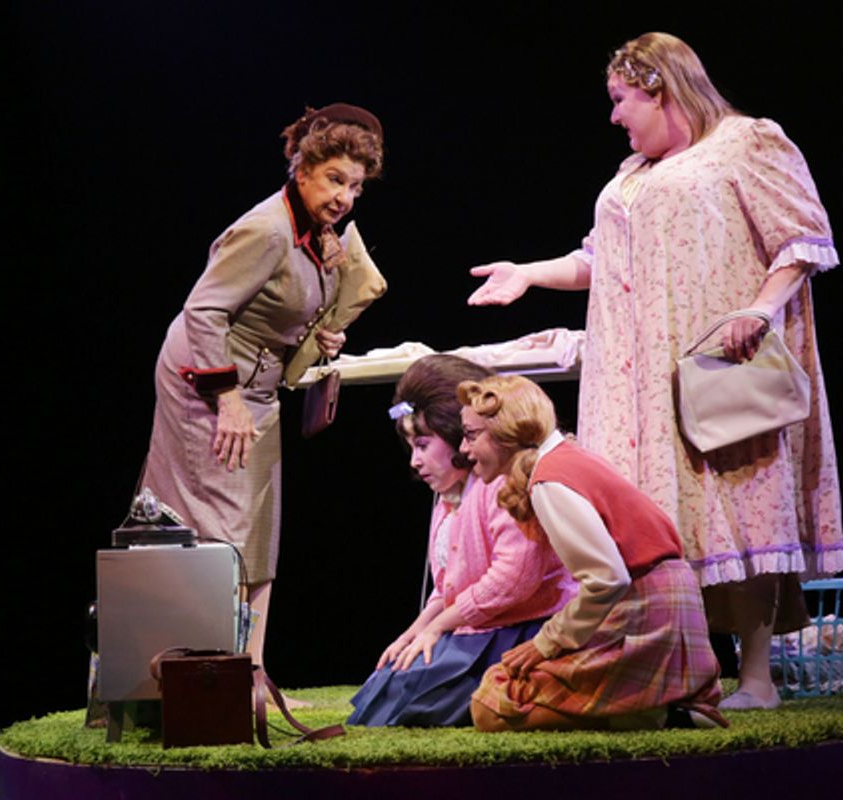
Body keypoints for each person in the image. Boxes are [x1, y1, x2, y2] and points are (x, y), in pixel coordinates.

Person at [468, 33, 843, 710]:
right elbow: (597, 260)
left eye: (621, 100)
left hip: (711, 360)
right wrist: (527, 273)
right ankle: (677, 674)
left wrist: (760, 312)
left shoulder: (746, 143)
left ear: (660, 90)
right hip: (633, 380)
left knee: (735, 501)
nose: (615, 117)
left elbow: (802, 237)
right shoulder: (633, 173)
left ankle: (756, 679)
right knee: (653, 518)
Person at [140, 103, 384, 695]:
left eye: (355, 186)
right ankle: (201, 679)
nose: (346, 197)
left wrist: (320, 332)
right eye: (335, 180)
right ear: (302, 169)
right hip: (208, 384)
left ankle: (251, 674)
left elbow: (286, 305)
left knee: (257, 531)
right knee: (220, 527)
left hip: (257, 387)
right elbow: (204, 310)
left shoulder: (319, 233)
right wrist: (225, 399)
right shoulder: (266, 228)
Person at [458, 375, 724, 732]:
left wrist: (547, 642)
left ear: (506, 433)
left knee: (492, 706)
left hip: (645, 612)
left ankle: (653, 715)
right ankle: (663, 710)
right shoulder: (565, 458)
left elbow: (608, 579)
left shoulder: (549, 480)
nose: (463, 448)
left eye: (472, 435)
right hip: (664, 603)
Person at [348, 355, 575, 727]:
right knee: (387, 685)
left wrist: (439, 627)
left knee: (413, 700)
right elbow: (448, 586)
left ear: (458, 435)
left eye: (423, 445)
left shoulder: (503, 484)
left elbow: (512, 580)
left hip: (522, 628)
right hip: (480, 626)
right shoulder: (448, 497)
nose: (415, 462)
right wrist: (414, 631)